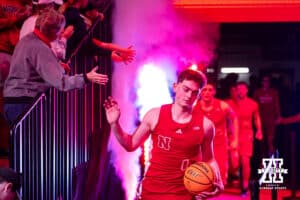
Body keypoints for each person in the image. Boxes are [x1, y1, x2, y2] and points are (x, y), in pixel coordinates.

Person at [104, 69, 223, 200]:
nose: (189, 95)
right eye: (186, 89)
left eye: (195, 92)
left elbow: (209, 159)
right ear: (176, 87)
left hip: (183, 194)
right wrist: (114, 124)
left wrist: (218, 181)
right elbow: (130, 144)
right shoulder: (154, 115)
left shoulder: (206, 125)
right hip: (151, 192)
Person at [3, 8, 108, 125]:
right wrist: (86, 77)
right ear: (53, 31)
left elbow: (30, 67)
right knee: (33, 143)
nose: (61, 34)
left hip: (12, 102)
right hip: (25, 105)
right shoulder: (40, 48)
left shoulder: (26, 41)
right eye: (60, 32)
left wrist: (56, 65)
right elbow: (62, 83)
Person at [194, 82, 239, 186]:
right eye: (204, 90)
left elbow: (234, 118)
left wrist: (235, 139)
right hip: (201, 145)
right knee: (202, 172)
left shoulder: (222, 105)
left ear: (214, 92)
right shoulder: (194, 107)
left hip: (219, 144)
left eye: (210, 90)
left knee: (220, 172)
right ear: (200, 92)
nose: (207, 93)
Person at [226, 82, 263, 196]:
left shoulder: (253, 104)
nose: (240, 91)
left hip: (246, 135)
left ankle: (245, 187)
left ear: (247, 90)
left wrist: (259, 130)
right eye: (238, 89)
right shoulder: (228, 103)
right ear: (235, 91)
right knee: (234, 163)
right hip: (232, 135)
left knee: (245, 161)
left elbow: (256, 117)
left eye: (243, 89)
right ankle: (234, 177)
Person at [253, 75, 281, 156]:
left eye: (268, 81)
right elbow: (254, 106)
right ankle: (262, 158)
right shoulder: (257, 92)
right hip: (260, 119)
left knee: (270, 140)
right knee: (261, 140)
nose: (266, 83)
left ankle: (271, 158)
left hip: (271, 119)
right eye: (264, 81)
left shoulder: (274, 92)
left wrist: (278, 116)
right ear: (261, 82)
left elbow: (277, 104)